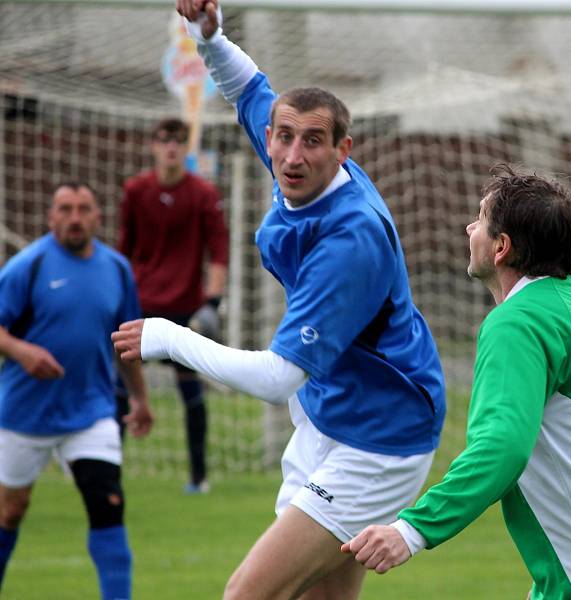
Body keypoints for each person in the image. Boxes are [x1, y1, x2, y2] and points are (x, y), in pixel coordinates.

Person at [112, 1, 446, 598]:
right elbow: (247, 85)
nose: (293, 156)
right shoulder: (293, 152)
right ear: (270, 138)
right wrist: (208, 34)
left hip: (379, 435)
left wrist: (170, 336)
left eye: (313, 142)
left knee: (246, 594)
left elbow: (275, 378)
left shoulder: (350, 243)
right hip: (329, 415)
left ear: (344, 149)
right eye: (284, 138)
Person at [343, 164, 571, 599]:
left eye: (480, 220)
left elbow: (501, 446)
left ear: (501, 247)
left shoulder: (518, 322)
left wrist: (412, 529)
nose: (470, 228)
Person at [0, 183, 153, 599]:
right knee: (10, 511)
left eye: (83, 209)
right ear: (51, 217)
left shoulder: (117, 269)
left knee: (108, 506)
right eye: (65, 209)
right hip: (24, 414)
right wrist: (22, 350)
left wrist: (139, 399)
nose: (74, 217)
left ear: (97, 217)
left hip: (92, 412)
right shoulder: (27, 267)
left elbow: (126, 343)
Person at [118, 117, 229, 494]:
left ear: (187, 148)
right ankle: (107, 469)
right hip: (139, 305)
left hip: (184, 309)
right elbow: (124, 252)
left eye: (179, 141)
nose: (171, 148)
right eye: (164, 140)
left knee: (190, 393)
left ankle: (198, 477)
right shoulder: (135, 190)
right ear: (153, 145)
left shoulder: (202, 194)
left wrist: (212, 302)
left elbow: (219, 253)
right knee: (122, 388)